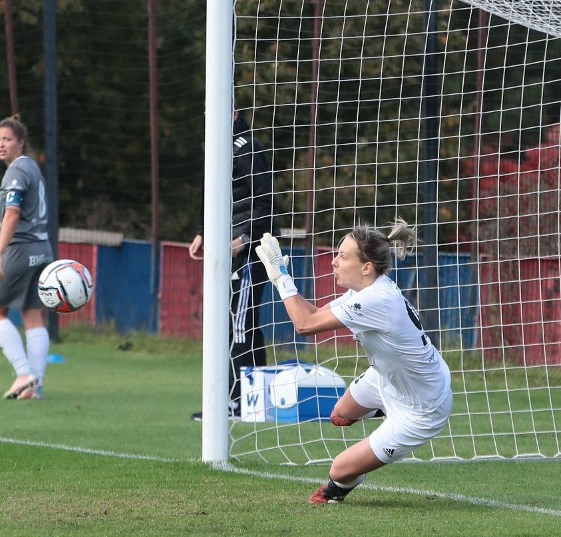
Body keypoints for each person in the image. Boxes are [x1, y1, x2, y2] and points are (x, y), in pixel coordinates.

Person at [254, 219, 452, 504]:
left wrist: (281, 276)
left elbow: (304, 324)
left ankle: (341, 489)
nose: (334, 262)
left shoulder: (376, 299)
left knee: (340, 470)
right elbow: (314, 313)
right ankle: (383, 410)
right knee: (340, 416)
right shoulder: (364, 291)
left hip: (423, 407)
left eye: (343, 256)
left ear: (366, 268)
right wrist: (281, 277)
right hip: (387, 377)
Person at [190, 111, 276, 421]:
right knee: (239, 325)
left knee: (237, 326)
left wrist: (245, 237)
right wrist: (203, 231)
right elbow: (215, 197)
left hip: (248, 252)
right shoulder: (216, 146)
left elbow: (265, 202)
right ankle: (254, 398)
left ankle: (236, 401)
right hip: (224, 248)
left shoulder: (247, 148)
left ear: (233, 111)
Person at [0, 115, 54, 400]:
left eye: (7, 139)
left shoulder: (15, 172)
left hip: (20, 249)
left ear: (21, 142)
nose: (1, 145)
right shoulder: (32, 168)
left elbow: (12, 214)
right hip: (42, 248)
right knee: (33, 315)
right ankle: (34, 385)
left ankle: (24, 373)